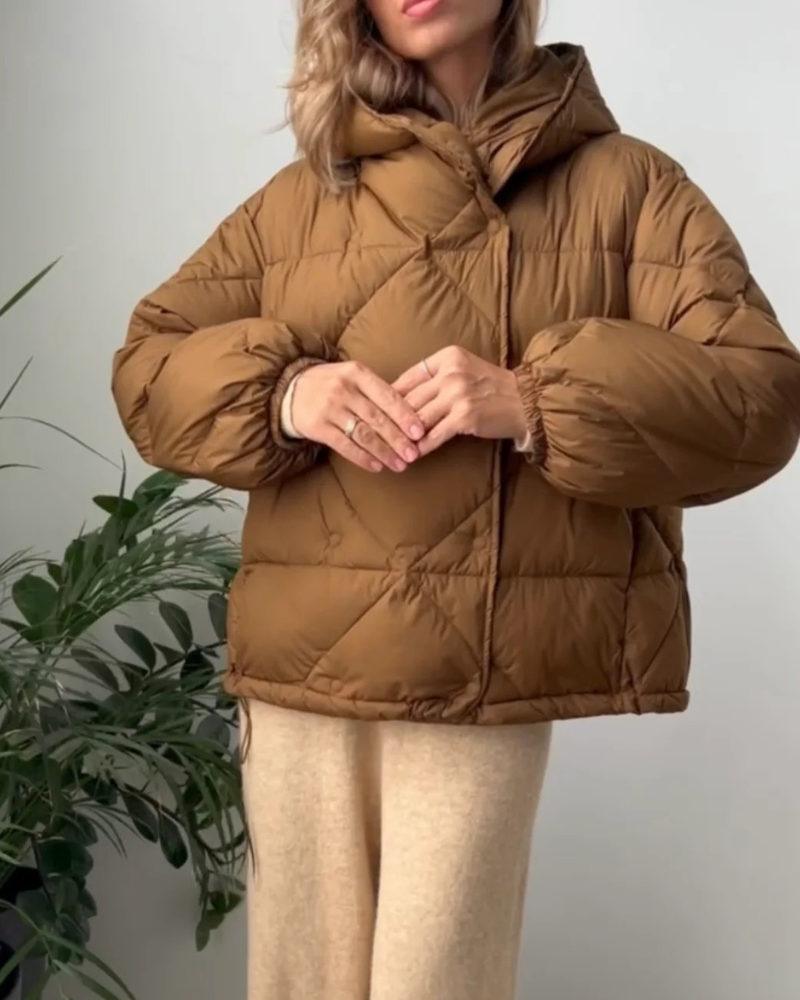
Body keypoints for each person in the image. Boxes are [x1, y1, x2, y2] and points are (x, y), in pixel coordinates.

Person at [111, 0, 800, 997]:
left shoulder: (629, 186)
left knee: (436, 983)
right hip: (301, 676)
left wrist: (536, 400)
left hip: (478, 682)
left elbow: (759, 396)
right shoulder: (301, 197)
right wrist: (286, 394)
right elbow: (148, 364)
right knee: (298, 985)